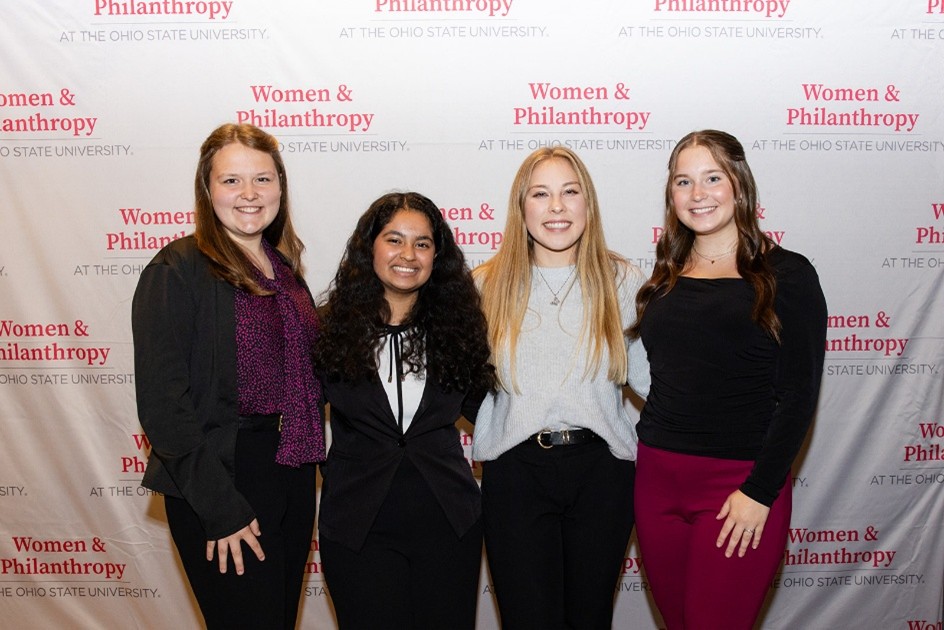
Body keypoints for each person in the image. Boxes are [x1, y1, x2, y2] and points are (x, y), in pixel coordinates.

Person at [628, 129, 827, 629]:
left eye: (712, 178)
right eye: (683, 182)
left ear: (739, 185)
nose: (698, 194)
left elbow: (799, 395)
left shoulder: (789, 274)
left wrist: (760, 491)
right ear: (671, 196)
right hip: (656, 480)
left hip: (738, 486)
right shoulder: (664, 276)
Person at [132, 123, 324, 629]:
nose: (249, 194)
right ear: (207, 188)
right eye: (232, 181)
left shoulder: (284, 270)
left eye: (262, 179)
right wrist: (219, 509)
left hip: (291, 467)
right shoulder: (179, 267)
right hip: (223, 477)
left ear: (280, 187)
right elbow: (163, 405)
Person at [472, 147, 650, 629]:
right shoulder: (485, 285)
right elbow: (461, 383)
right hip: (515, 475)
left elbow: (654, 382)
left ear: (587, 205)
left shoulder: (622, 280)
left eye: (570, 192)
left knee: (589, 619)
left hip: (602, 475)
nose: (556, 207)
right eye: (541, 194)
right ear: (521, 207)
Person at [313, 191, 495, 629]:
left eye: (422, 243)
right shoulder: (327, 328)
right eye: (394, 240)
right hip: (357, 527)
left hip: (448, 522)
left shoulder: (461, 328)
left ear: (438, 255)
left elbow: (494, 411)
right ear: (369, 247)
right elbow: (295, 421)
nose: (408, 255)